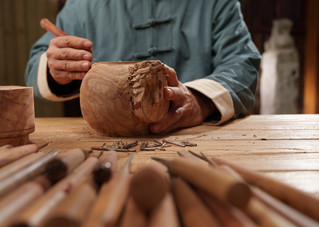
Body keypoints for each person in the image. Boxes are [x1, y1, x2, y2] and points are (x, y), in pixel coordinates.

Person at [25, 0, 261, 134]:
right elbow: (35, 66)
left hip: (200, 141)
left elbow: (242, 62)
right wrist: (57, 68)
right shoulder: (82, 6)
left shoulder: (215, 3)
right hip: (107, 148)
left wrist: (200, 101)